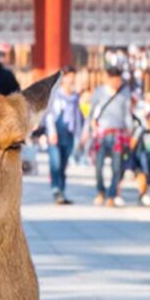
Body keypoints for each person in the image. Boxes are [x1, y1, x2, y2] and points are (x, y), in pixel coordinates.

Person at [87, 64, 136, 207]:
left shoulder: (125, 92)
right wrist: (91, 126)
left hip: (118, 133)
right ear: (108, 79)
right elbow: (91, 113)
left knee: (117, 167)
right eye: (114, 80)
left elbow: (127, 114)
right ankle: (100, 191)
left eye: (119, 80)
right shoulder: (99, 92)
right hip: (101, 133)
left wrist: (130, 132)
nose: (117, 83)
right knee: (99, 166)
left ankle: (111, 195)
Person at [42, 71, 84, 205]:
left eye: (73, 76)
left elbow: (77, 117)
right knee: (56, 162)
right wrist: (52, 131)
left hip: (69, 133)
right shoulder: (55, 95)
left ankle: (62, 190)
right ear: (64, 78)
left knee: (64, 164)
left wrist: (80, 135)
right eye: (69, 77)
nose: (71, 80)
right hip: (55, 132)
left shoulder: (75, 97)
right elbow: (49, 114)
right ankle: (56, 189)